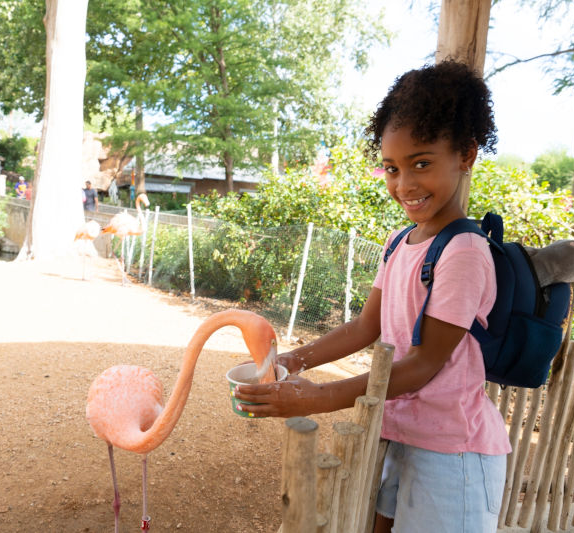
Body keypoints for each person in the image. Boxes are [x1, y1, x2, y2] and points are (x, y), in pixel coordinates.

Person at [233, 61, 510, 533]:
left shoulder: (464, 251)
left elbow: (425, 364)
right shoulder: (399, 242)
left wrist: (318, 398)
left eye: (421, 163)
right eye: (391, 168)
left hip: (451, 453)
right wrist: (288, 364)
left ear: (466, 154)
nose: (404, 185)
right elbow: (366, 327)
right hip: (398, 432)